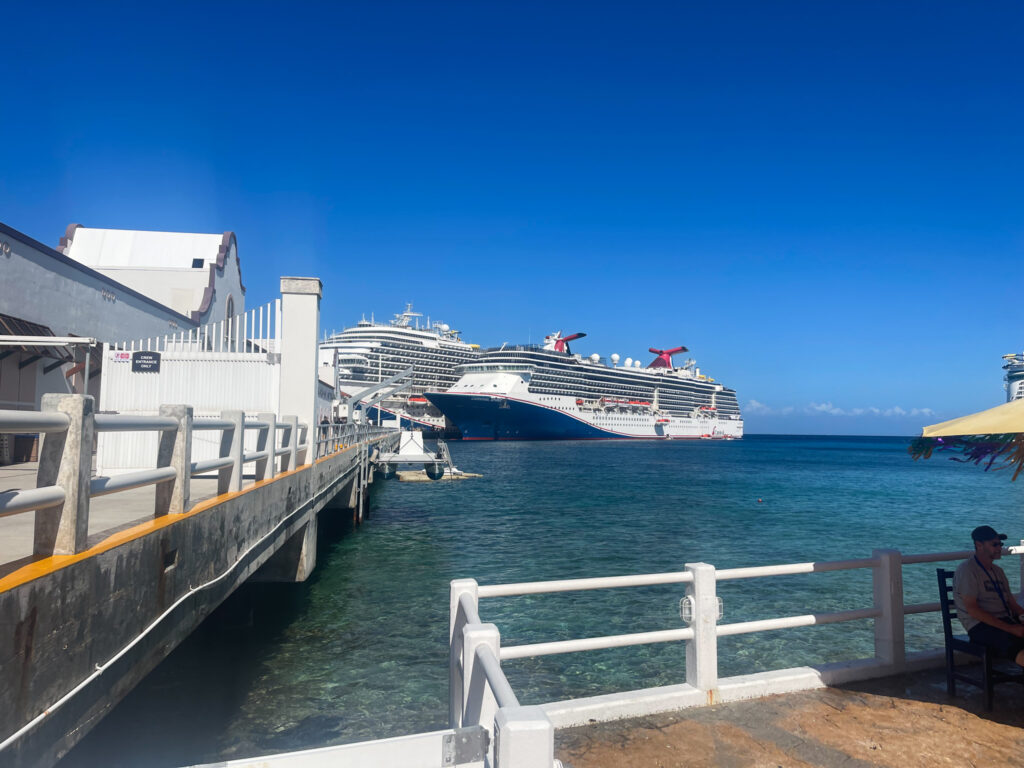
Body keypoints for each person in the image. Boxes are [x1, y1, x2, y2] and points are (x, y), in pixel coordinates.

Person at [953, 525, 1024, 667]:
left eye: (1000, 544)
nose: (999, 548)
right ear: (979, 545)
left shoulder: (998, 571)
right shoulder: (967, 570)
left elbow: (1012, 604)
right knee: (1013, 643)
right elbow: (973, 610)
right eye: (994, 544)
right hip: (981, 627)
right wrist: (1010, 628)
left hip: (1006, 620)